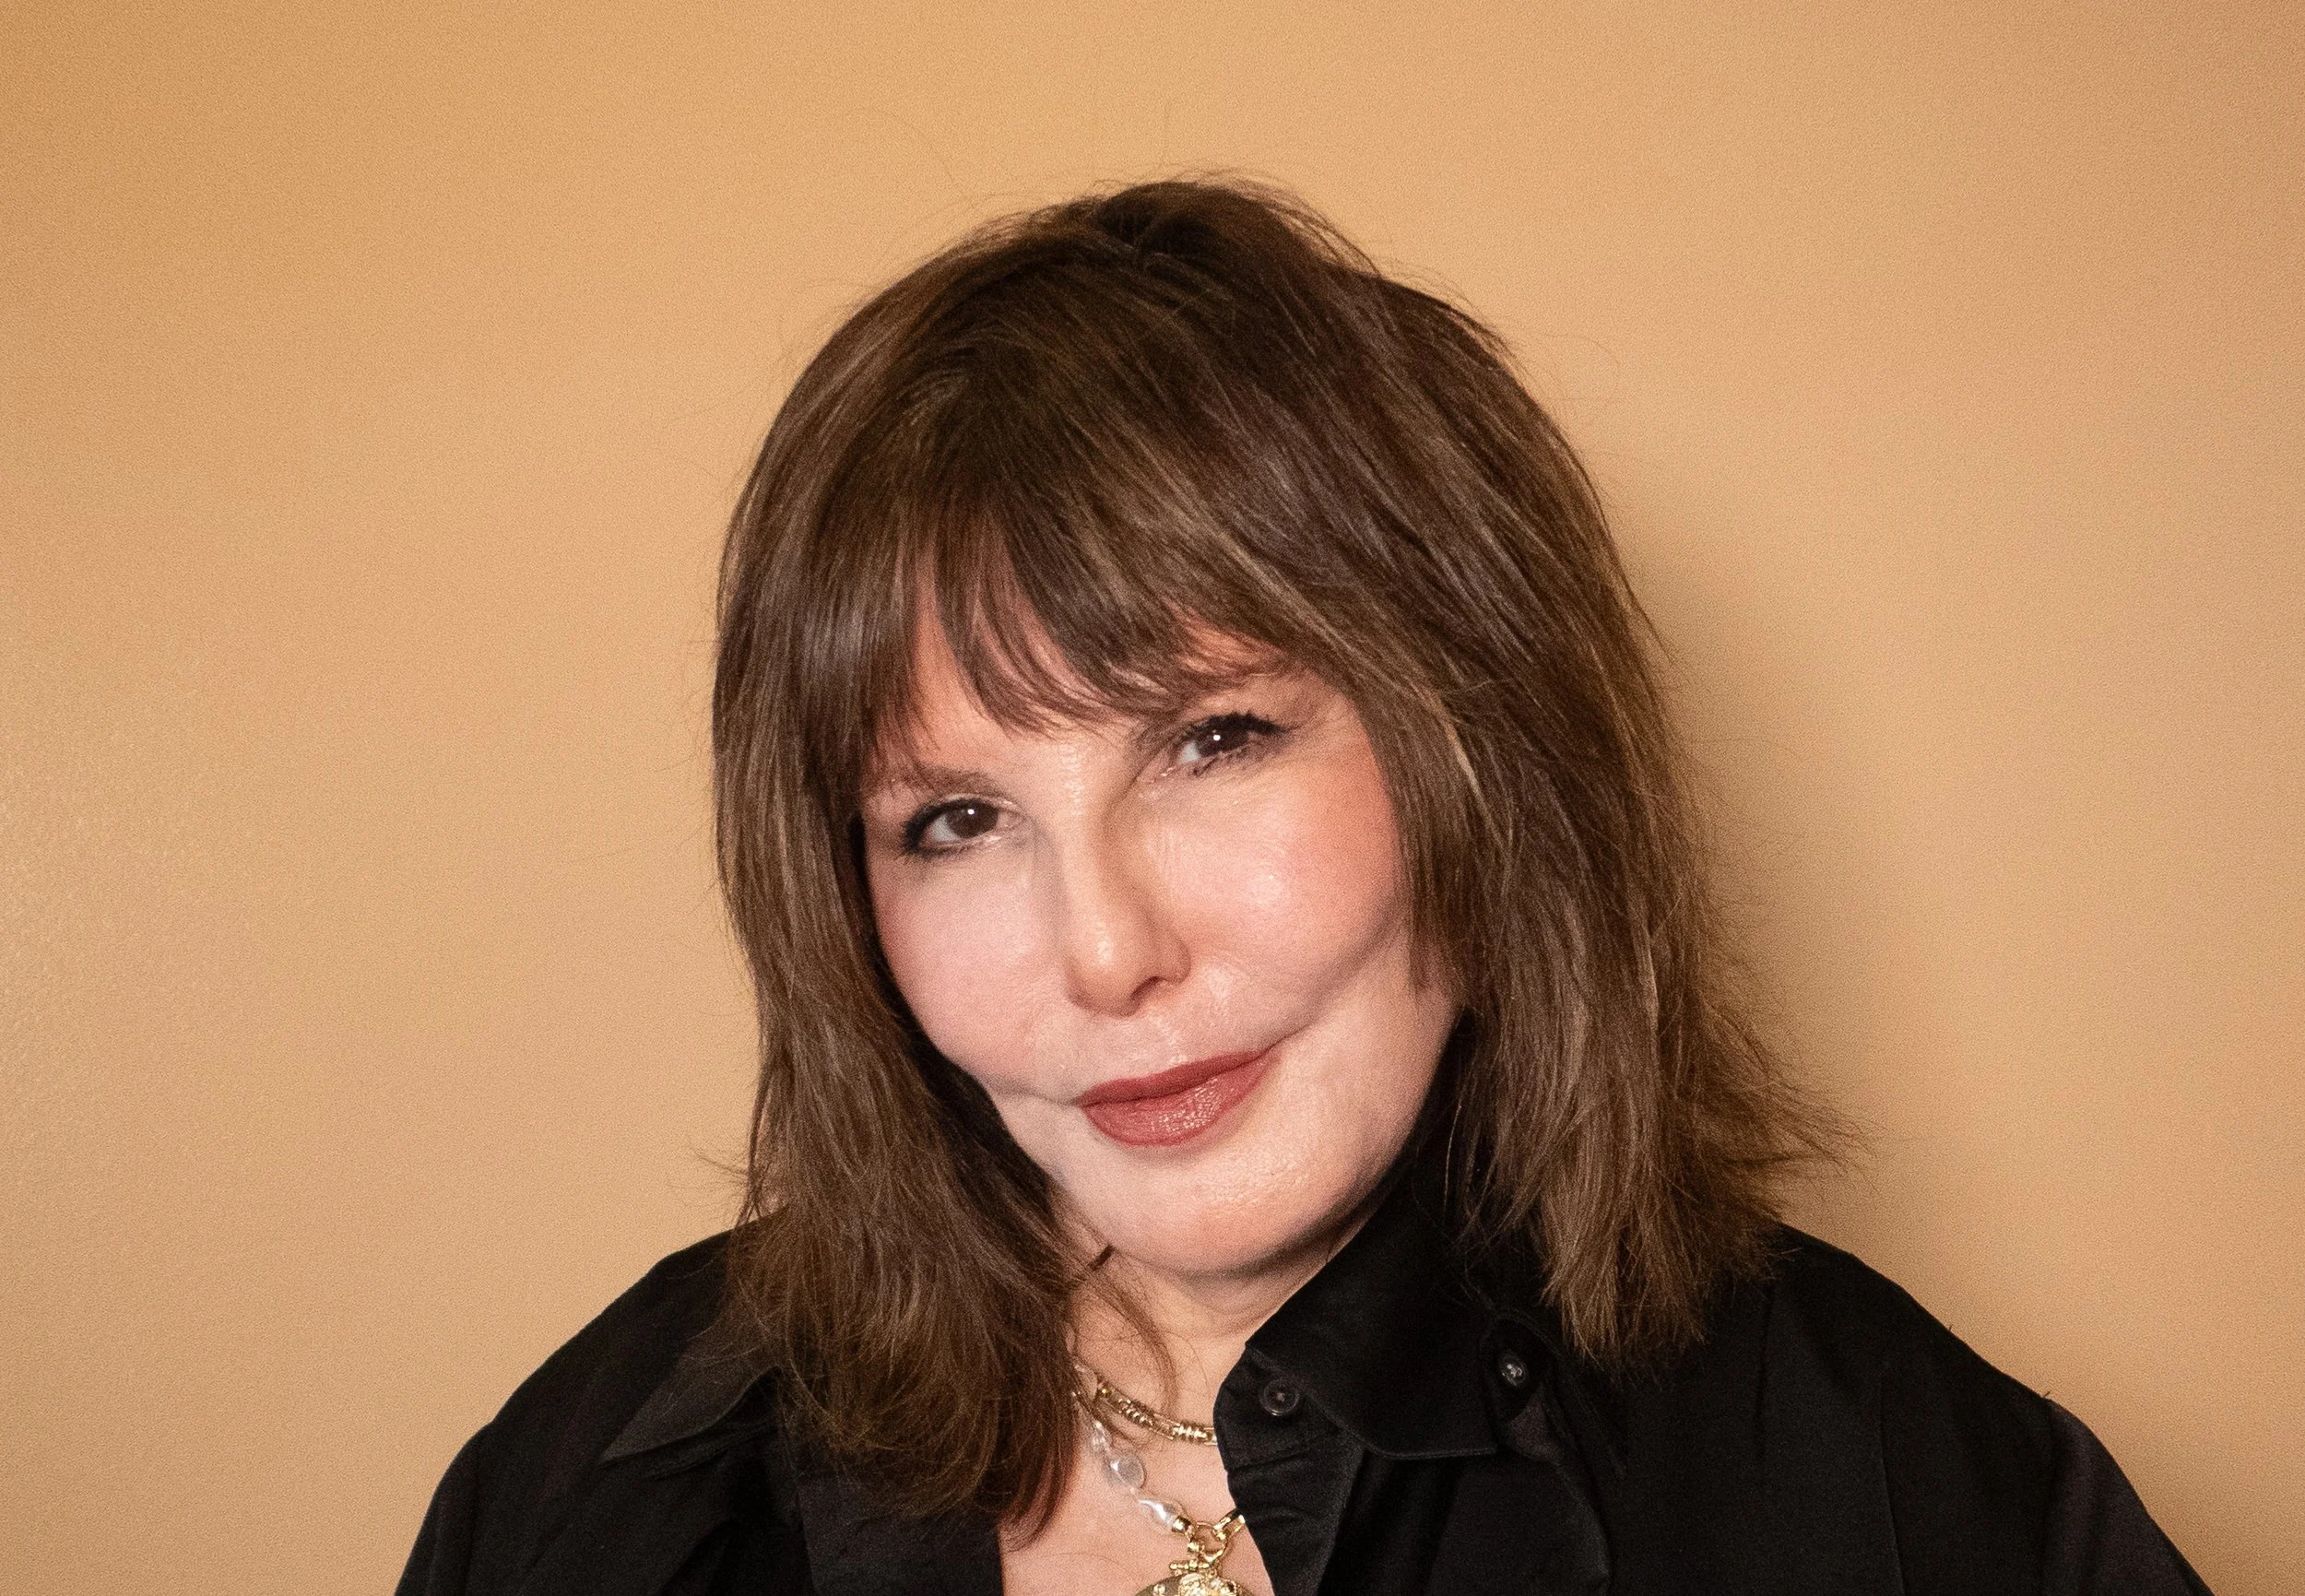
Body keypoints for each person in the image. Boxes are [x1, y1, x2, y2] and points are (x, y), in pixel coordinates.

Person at [396, 179, 2206, 1596]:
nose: (1105, 951)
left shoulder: (1882, 1479)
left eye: (1212, 741)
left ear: (1484, 746)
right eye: (953, 819)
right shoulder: (606, 1479)